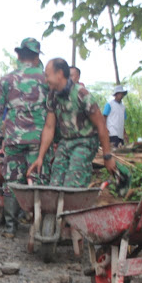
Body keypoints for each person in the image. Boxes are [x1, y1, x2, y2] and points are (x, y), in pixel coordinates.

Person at [0, 38, 50, 238]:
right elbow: (56, 111)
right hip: (40, 140)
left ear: (19, 55)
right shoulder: (47, 79)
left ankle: (11, 228)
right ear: (37, 56)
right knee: (40, 179)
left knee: (11, 182)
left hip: (13, 139)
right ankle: (37, 223)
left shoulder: (7, 79)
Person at [28, 58, 116, 187]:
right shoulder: (52, 96)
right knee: (55, 184)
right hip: (66, 142)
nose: (45, 80)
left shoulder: (82, 95)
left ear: (59, 74)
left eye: (47, 76)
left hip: (85, 141)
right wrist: (40, 157)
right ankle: (58, 206)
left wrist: (107, 157)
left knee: (72, 184)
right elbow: (49, 127)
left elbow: (101, 125)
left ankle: (74, 204)